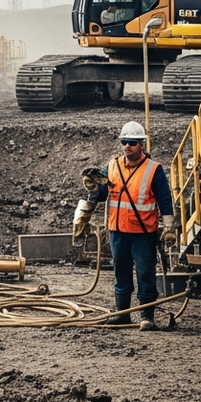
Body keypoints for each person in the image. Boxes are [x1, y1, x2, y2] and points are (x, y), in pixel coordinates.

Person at [73, 120, 173, 331]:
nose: (127, 146)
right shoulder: (112, 166)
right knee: (121, 272)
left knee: (145, 273)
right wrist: (92, 188)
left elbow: (164, 199)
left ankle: (147, 316)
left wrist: (170, 227)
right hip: (118, 231)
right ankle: (123, 314)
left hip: (143, 232)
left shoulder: (153, 170)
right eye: (124, 142)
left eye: (132, 142)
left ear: (141, 145)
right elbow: (99, 193)